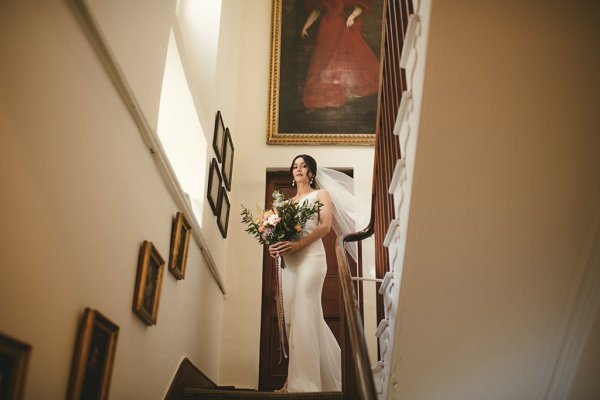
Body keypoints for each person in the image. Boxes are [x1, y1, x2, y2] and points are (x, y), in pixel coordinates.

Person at [268, 154, 342, 392]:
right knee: (295, 319)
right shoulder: (284, 205)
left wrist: (299, 245)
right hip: (290, 262)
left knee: (303, 312)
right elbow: (279, 235)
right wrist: (274, 245)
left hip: (312, 258)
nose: (298, 169)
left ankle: (305, 385)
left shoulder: (320, 195)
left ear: (311, 172)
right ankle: (302, 377)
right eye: (295, 166)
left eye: (304, 166)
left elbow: (325, 226)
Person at [301, 0, 380, 109]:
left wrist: (352, 16)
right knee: (324, 57)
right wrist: (306, 25)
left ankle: (346, 88)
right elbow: (317, 10)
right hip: (326, 27)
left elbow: (359, 5)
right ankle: (329, 91)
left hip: (341, 24)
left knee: (342, 55)